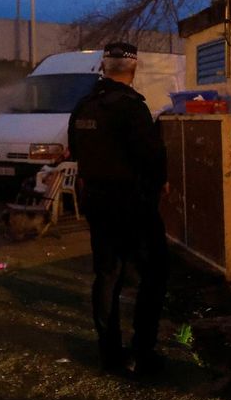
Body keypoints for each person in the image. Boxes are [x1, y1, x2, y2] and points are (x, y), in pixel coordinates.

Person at [67, 41, 170, 376]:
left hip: (97, 202)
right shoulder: (131, 107)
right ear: (134, 68)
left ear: (103, 67)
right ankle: (143, 351)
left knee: (107, 275)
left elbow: (75, 151)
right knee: (153, 274)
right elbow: (151, 158)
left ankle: (109, 353)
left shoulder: (84, 106)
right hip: (132, 204)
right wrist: (159, 185)